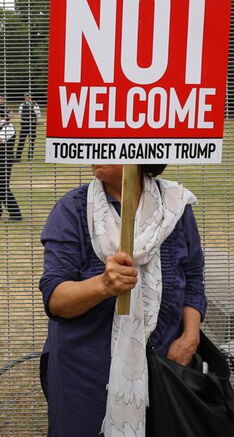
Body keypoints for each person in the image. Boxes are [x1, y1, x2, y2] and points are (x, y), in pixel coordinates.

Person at [39, 164, 206, 436]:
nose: (97, 151)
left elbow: (193, 277)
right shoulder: (73, 209)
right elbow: (56, 300)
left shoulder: (176, 207)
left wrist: (190, 337)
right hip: (84, 370)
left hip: (166, 365)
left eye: (109, 143)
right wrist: (104, 285)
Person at [15, 93, 41, 161]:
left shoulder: (35, 104)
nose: (27, 98)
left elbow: (38, 114)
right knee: (21, 140)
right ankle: (18, 157)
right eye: (26, 97)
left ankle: (30, 156)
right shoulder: (22, 105)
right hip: (24, 124)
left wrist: (36, 121)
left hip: (32, 124)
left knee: (32, 141)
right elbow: (20, 114)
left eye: (28, 96)